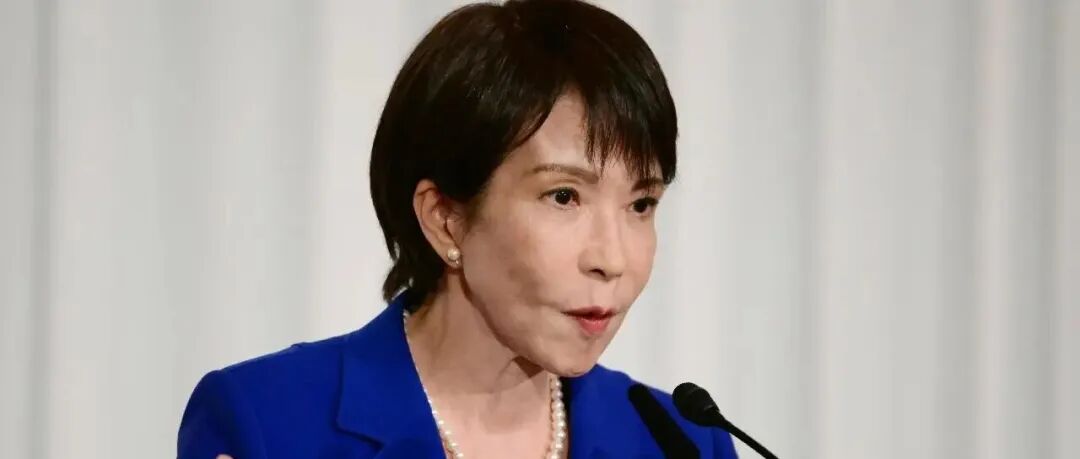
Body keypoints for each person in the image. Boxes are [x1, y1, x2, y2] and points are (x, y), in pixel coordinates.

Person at [178, 0, 738, 457]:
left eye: (641, 204)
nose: (611, 259)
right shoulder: (269, 426)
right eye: (564, 196)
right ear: (444, 219)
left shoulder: (684, 443)